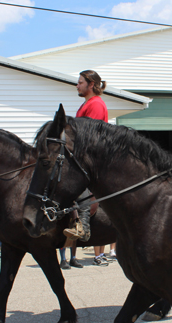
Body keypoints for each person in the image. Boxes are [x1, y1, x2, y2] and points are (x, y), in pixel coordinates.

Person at [63, 69, 112, 266]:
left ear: (91, 84)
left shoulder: (96, 105)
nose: (77, 85)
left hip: (91, 157)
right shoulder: (87, 104)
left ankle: (82, 224)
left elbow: (90, 138)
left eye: (80, 82)